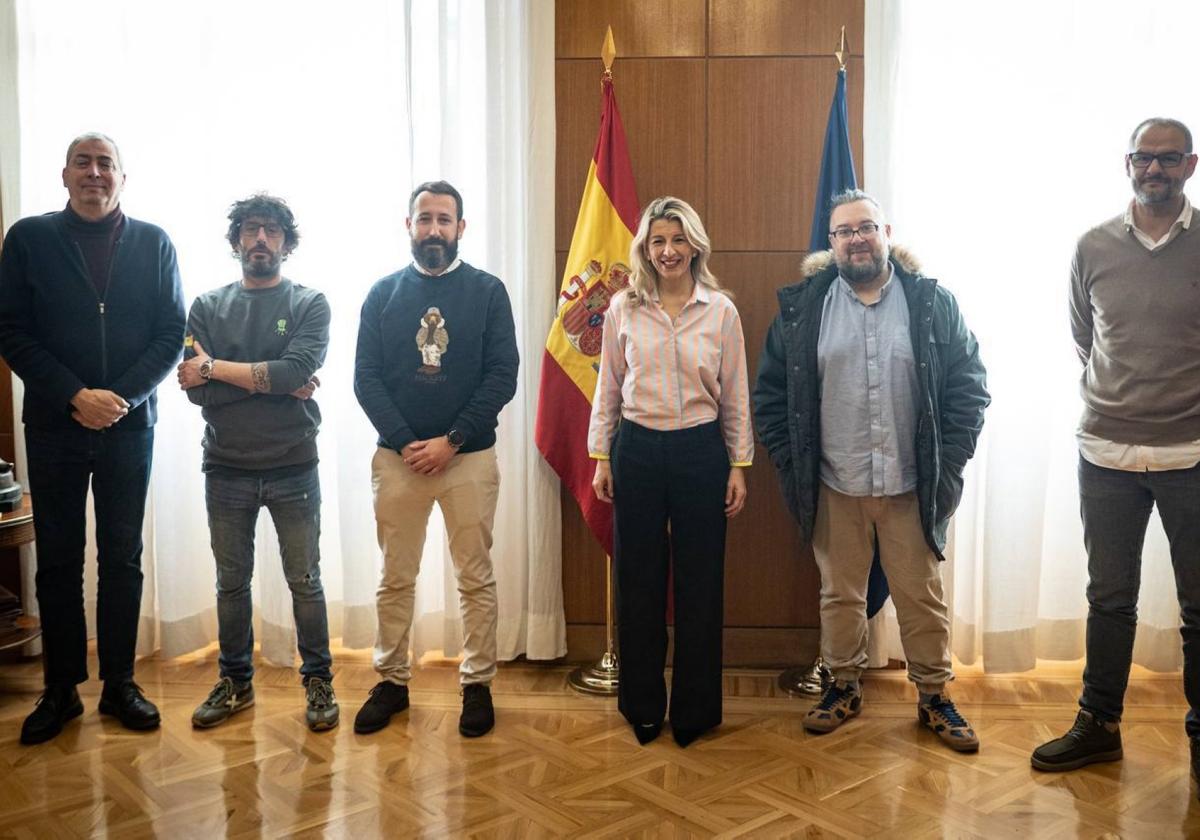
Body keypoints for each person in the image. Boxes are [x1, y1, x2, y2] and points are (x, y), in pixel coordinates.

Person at [753, 189, 989, 752]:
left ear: (887, 233)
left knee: (921, 597)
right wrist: (792, 465)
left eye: (866, 227)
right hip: (834, 483)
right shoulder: (801, 310)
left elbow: (968, 386)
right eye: (844, 231)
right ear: (831, 243)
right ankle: (843, 687)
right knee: (839, 596)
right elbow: (771, 397)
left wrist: (948, 463)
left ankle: (934, 697)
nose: (856, 239)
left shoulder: (932, 302)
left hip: (912, 483)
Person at [0, 132, 186, 744]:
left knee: (122, 557)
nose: (95, 172)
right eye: (84, 162)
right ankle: (60, 691)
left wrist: (122, 398)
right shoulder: (28, 239)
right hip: (54, 424)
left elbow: (170, 333)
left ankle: (119, 684)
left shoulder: (155, 242)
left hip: (129, 428)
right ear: (65, 175)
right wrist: (74, 395)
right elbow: (12, 330)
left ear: (122, 179)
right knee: (55, 561)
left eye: (107, 164)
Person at [1033, 118, 1200, 779]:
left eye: (1166, 159)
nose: (1152, 169)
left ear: (1190, 165)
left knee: (1199, 607)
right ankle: (1099, 725)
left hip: (1192, 455)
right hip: (1105, 454)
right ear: (1126, 164)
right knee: (1108, 599)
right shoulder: (1093, 245)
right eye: (1141, 158)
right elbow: (1086, 337)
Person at [353, 180, 518, 738]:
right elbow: (366, 379)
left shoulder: (489, 292)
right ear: (408, 226)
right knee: (395, 577)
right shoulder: (382, 294)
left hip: (468, 458)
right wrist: (405, 443)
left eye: (444, 220)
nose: (434, 230)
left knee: (475, 576)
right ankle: (393, 682)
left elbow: (502, 376)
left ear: (461, 229)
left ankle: (477, 684)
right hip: (398, 461)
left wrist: (451, 440)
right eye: (424, 219)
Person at [587, 196, 752, 748]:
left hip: (701, 453)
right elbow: (607, 387)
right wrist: (602, 456)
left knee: (701, 583)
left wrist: (738, 466)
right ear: (644, 248)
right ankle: (641, 705)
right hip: (635, 448)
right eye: (658, 241)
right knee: (637, 581)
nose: (668, 251)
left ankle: (695, 712)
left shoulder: (721, 311)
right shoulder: (623, 309)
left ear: (695, 246)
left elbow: (736, 397)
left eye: (678, 240)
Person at [176, 194, 337, 732]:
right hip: (225, 467)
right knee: (230, 583)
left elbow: (294, 373)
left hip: (294, 465)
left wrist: (218, 370)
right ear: (236, 241)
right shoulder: (205, 306)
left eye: (271, 231)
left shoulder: (311, 302)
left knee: (305, 580)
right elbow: (199, 396)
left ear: (287, 243)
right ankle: (235, 682)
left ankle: (318, 681)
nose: (260, 239)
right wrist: (274, 382)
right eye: (250, 230)